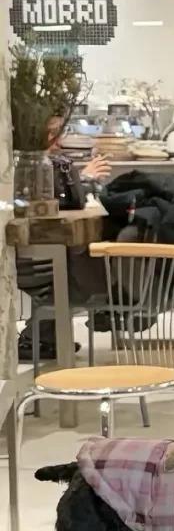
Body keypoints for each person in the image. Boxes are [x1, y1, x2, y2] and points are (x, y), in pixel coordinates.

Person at [15, 117, 111, 363]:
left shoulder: (46, 165)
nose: (59, 141)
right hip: (32, 260)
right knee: (80, 261)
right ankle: (41, 336)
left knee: (79, 257)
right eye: (54, 134)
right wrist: (84, 179)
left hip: (36, 255)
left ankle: (42, 337)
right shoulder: (31, 169)